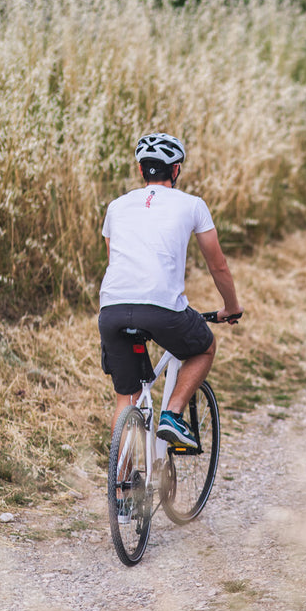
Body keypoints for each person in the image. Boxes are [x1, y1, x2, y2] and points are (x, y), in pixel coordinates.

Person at [98, 132, 243, 449]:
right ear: (176, 170)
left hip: (112, 309)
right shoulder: (193, 205)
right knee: (203, 348)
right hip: (162, 309)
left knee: (127, 396)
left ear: (140, 170)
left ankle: (122, 486)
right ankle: (173, 415)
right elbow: (217, 265)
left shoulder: (116, 207)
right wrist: (231, 307)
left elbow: (115, 260)